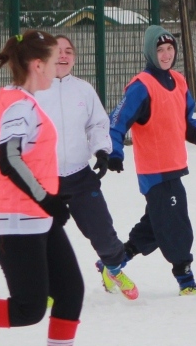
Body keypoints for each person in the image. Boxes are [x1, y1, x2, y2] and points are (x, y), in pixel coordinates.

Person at [0, 30, 85, 346]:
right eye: (54, 61)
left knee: (70, 290)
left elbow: (2, 141)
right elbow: (8, 157)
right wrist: (47, 199)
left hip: (36, 217)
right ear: (38, 65)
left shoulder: (16, 99)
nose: (59, 67)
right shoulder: (20, 105)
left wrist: (48, 203)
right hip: (15, 220)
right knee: (29, 309)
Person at [108, 25, 196, 294]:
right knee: (176, 224)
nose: (165, 54)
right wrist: (114, 153)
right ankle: (185, 279)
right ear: (150, 53)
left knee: (156, 224)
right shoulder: (141, 86)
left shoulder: (178, 81)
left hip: (174, 166)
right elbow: (116, 123)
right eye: (159, 49)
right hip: (154, 170)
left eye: (169, 48)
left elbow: (187, 125)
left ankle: (113, 264)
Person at [35, 35, 137, 299]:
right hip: (43, 179)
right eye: (57, 51)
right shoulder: (32, 90)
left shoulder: (83, 89)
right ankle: (45, 286)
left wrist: (102, 152)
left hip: (79, 175)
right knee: (42, 235)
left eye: (69, 51)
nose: (63, 55)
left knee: (102, 231)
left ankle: (112, 268)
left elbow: (98, 124)